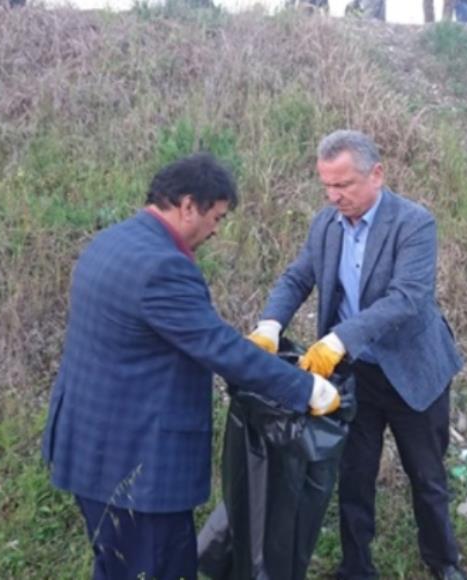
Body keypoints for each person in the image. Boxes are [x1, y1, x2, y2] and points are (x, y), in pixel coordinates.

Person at [40, 154, 340, 580]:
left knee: (117, 566)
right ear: (187, 206)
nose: (216, 230)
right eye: (216, 217)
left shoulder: (111, 242)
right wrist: (306, 389)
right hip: (138, 467)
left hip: (91, 449)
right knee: (156, 567)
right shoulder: (163, 267)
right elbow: (218, 348)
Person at [247, 130, 467, 580]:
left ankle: (443, 562)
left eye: (344, 184)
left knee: (426, 475)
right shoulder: (325, 225)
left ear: (376, 175)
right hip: (355, 374)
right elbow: (297, 277)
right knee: (354, 474)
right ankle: (356, 568)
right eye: (326, 185)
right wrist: (270, 324)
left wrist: (338, 339)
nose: (334, 196)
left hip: (412, 371)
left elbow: (407, 298)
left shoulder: (413, 224)